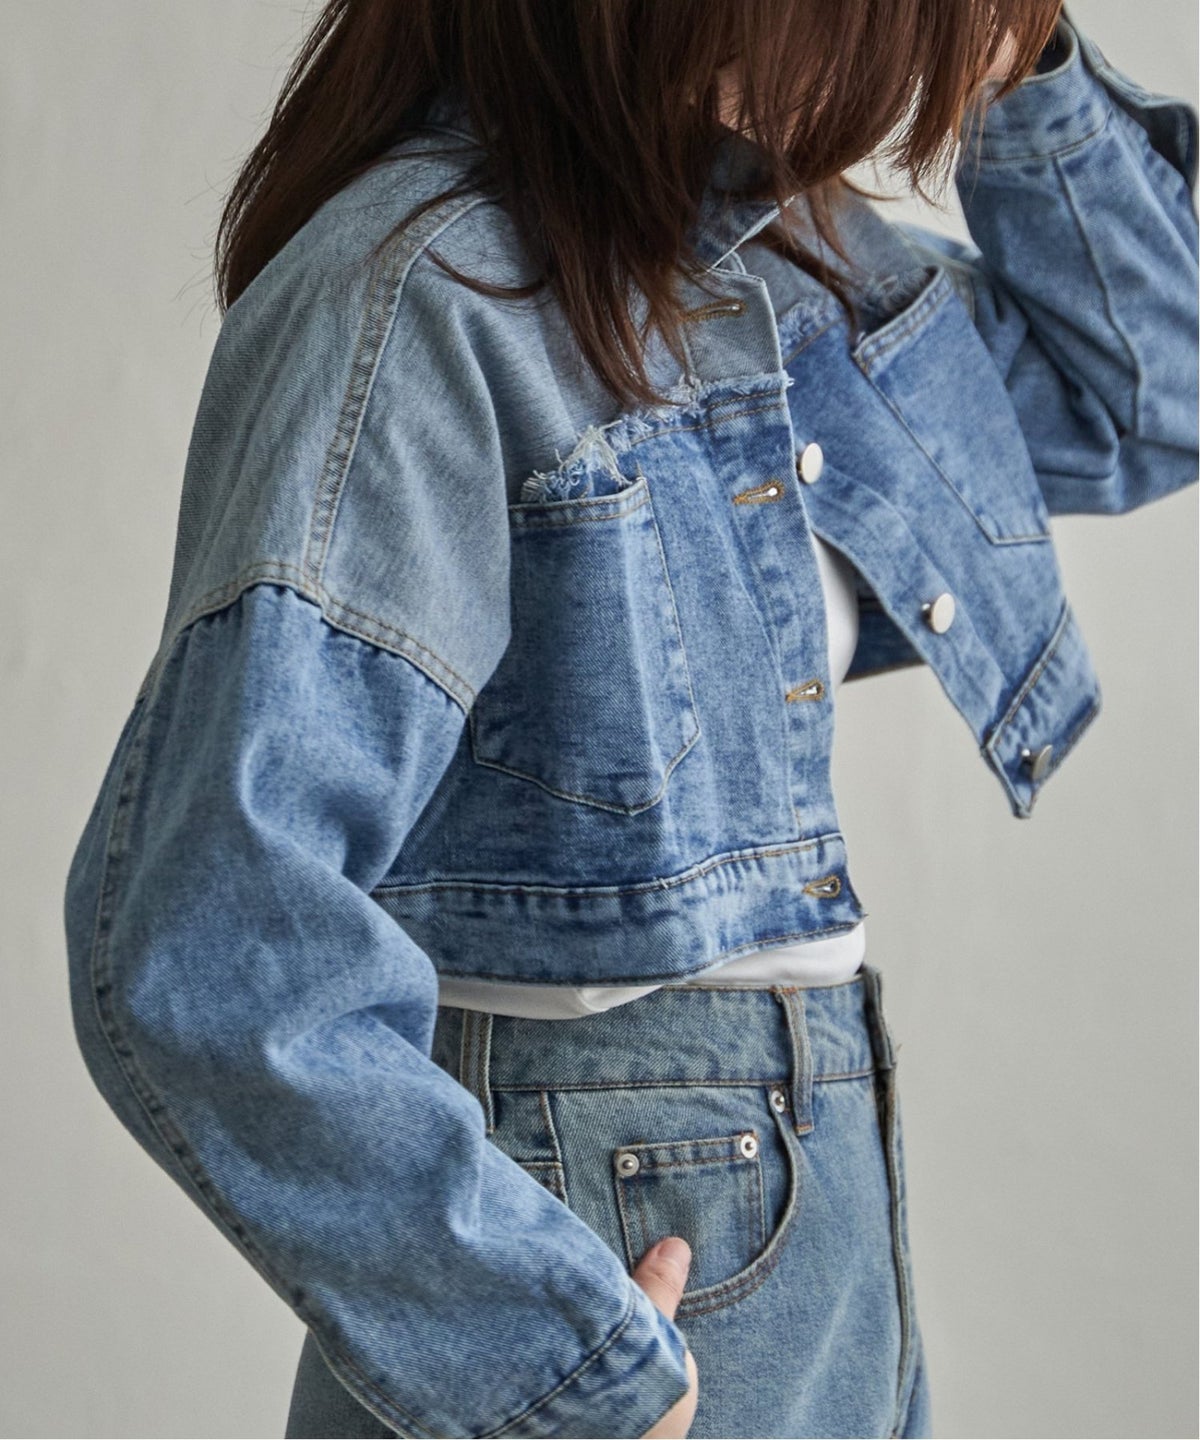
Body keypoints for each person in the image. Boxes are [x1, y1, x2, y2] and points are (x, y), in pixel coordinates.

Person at [62, 1, 1198, 1436]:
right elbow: (211, 935)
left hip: (823, 1199)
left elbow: (1156, 390)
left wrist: (1022, 57)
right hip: (615, 1217)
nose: (896, 82)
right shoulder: (422, 293)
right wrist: (551, 1361)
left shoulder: (786, 262)